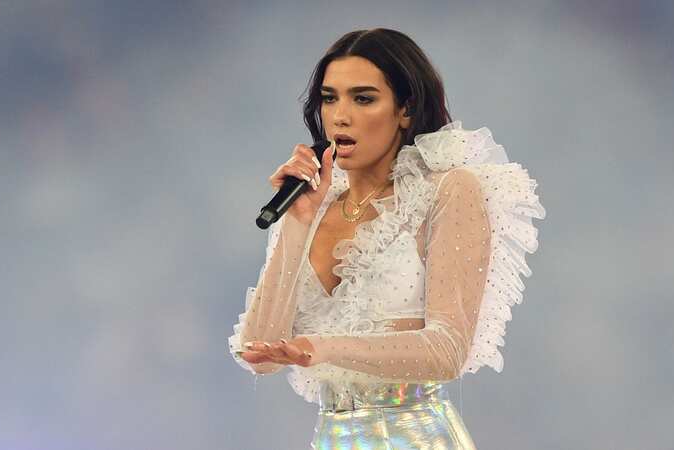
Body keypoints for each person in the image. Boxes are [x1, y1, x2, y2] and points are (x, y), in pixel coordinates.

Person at [228, 28, 546, 449]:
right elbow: (259, 355)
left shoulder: (447, 190)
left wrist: (318, 348)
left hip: (414, 436)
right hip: (333, 437)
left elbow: (447, 351)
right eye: (329, 98)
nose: (340, 116)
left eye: (363, 99)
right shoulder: (313, 206)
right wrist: (297, 222)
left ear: (406, 110)